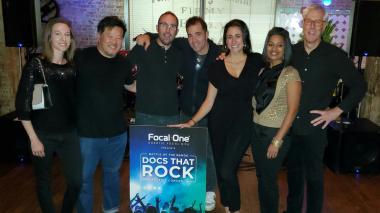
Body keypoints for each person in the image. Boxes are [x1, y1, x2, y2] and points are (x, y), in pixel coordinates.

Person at [172, 19, 263, 213]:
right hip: (218, 123)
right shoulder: (217, 66)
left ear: (245, 38)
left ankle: (236, 207)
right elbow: (209, 101)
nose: (233, 40)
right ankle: (228, 205)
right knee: (223, 167)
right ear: (225, 40)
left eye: (237, 36)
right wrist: (191, 121)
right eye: (229, 36)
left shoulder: (256, 61)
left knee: (226, 169)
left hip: (243, 123)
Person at [285, 4, 367, 213]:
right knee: (293, 177)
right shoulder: (291, 52)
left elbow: (359, 86)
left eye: (317, 22)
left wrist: (336, 111)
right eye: (308, 21)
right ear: (302, 24)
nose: (312, 26)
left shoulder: (335, 56)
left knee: (314, 179)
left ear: (323, 25)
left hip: (316, 129)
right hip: (290, 127)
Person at [135, 16, 220, 211]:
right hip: (184, 111)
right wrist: (145, 35)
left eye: (198, 34)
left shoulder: (217, 54)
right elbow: (165, 35)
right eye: (190, 35)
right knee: (185, 155)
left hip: (208, 112)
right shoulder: (184, 47)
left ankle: (209, 191)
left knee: (206, 153)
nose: (194, 39)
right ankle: (186, 191)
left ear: (206, 34)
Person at [15, 17, 81, 213]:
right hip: (42, 134)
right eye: (58, 34)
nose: (63, 38)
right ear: (49, 38)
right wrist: (33, 139)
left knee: (76, 182)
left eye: (67, 34)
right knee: (44, 181)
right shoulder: (36, 64)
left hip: (70, 134)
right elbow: (23, 104)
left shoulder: (73, 67)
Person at [75, 16, 135, 213]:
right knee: (84, 178)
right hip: (87, 134)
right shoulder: (82, 57)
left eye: (119, 37)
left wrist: (161, 85)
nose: (114, 41)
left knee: (112, 174)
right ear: (99, 35)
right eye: (110, 36)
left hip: (117, 133)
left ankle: (111, 208)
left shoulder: (123, 63)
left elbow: (130, 85)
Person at [251, 27, 301, 213]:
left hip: (274, 134)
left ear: (286, 48)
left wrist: (277, 140)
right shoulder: (262, 70)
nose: (274, 49)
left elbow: (293, 110)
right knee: (261, 177)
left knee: (268, 179)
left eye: (279, 45)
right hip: (256, 132)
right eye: (271, 44)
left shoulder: (290, 73)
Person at [128, 11, 183, 125]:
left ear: (177, 31)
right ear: (157, 28)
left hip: (172, 116)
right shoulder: (143, 46)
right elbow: (122, 69)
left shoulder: (180, 51)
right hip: (145, 115)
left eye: (172, 26)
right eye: (164, 25)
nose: (168, 30)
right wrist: (131, 86)